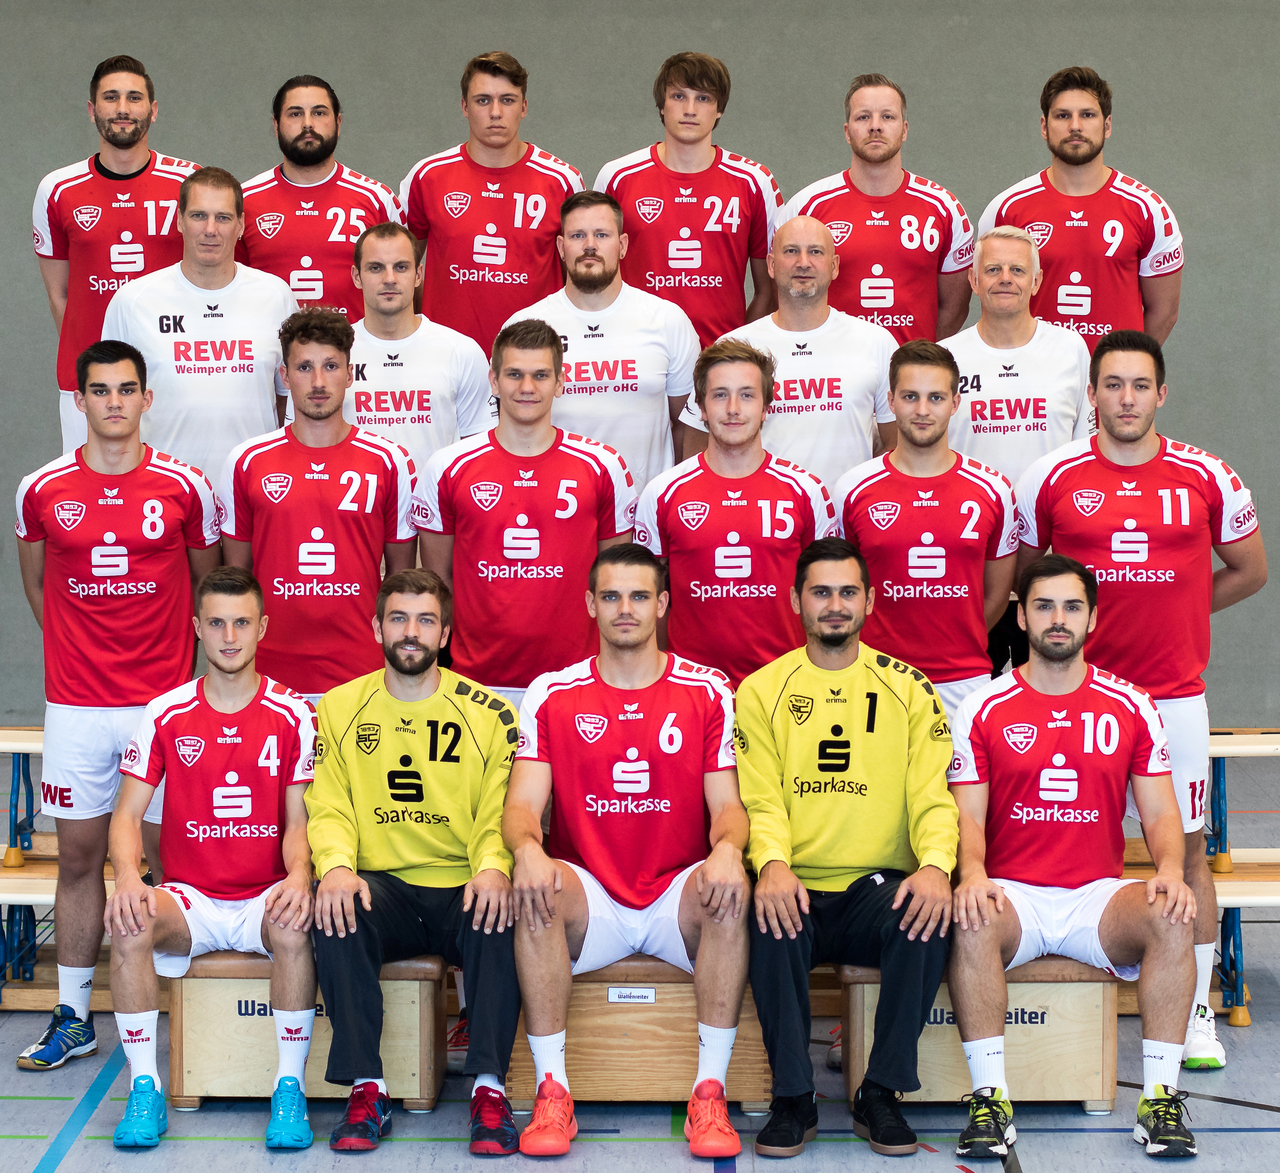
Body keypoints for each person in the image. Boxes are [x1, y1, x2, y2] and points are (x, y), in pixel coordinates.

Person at [1016, 330, 1267, 1069]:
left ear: (1162, 393)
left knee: (1187, 853)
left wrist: (1183, 613)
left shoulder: (1208, 474)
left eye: (1139, 385)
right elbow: (1029, 581)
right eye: (1112, 384)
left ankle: (1196, 1013)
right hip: (1074, 698)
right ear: (1092, 394)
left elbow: (1249, 569)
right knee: (1053, 844)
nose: (1126, 399)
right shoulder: (1051, 475)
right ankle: (1043, 1007)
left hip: (1173, 698)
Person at [947, 555, 1197, 1159]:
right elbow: (967, 816)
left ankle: (1160, 1103)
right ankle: (990, 1102)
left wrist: (1169, 871)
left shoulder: (1131, 704)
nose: (1057, 619)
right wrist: (973, 874)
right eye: (1043, 606)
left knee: (1171, 914)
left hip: (1095, 898)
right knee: (971, 916)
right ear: (1022, 617)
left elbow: (1161, 813)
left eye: (1071, 607)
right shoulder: (983, 705)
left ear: (1092, 618)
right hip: (1014, 893)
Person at [14, 340, 220, 1070]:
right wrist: (80, 654)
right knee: (79, 858)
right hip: (76, 706)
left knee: (171, 857)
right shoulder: (40, 489)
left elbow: (207, 590)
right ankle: (74, 1015)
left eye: (126, 389)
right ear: (79, 400)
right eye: (99, 390)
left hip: (160, 705)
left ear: (146, 399)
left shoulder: (185, 486)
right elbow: (39, 587)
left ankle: (182, 1013)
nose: (113, 402)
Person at [503, 544, 747, 1159]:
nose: (625, 609)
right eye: (611, 596)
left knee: (729, 889)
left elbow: (727, 807)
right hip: (593, 897)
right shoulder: (552, 693)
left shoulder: (707, 690)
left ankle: (710, 1092)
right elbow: (522, 807)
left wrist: (728, 848)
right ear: (590, 604)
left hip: (673, 893)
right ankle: (553, 1092)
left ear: (662, 604)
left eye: (639, 596)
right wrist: (526, 848)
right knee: (535, 885)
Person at [737, 538, 957, 1157]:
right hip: (797, 880)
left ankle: (881, 1092)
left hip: (875, 886)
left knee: (925, 918)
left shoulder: (909, 688)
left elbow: (932, 796)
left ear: (870, 601)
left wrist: (936, 866)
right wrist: (772, 865)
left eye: (847, 592)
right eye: (821, 592)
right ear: (796, 602)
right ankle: (793, 1098)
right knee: (766, 920)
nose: (835, 605)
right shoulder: (761, 690)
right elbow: (761, 800)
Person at [307, 569, 523, 1155]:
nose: (411, 632)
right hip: (383, 887)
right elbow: (328, 803)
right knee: (336, 909)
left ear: (445, 633)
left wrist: (492, 866)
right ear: (377, 627)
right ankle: (367, 1089)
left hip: (460, 882)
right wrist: (336, 867)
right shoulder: (339, 707)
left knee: (501, 913)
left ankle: (488, 1090)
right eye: (399, 618)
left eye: (426, 620)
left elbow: (498, 807)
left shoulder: (489, 711)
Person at [107, 567, 317, 1149]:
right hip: (190, 899)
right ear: (197, 628)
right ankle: (145, 1088)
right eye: (218, 623)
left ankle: (289, 1088)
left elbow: (299, 821)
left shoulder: (293, 713)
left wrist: (300, 876)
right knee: (128, 922)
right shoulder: (166, 712)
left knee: (295, 926)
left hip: (263, 893)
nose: (230, 637)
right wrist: (127, 876)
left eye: (242, 623)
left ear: (262, 628)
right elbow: (126, 815)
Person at [415, 318, 636, 710]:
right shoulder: (447, 466)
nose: (527, 387)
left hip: (576, 678)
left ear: (560, 382)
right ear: (494, 380)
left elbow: (615, 580)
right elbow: (439, 582)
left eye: (541, 375)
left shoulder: (603, 466)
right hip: (474, 681)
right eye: (514, 374)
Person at [219, 307, 416, 701]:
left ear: (350, 373)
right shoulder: (246, 461)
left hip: (361, 670)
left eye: (331, 366)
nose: (319, 382)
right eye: (304, 367)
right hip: (267, 670)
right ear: (284, 376)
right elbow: (236, 581)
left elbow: (400, 580)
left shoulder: (389, 461)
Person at [636, 339, 837, 688]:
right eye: (719, 395)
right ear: (700, 407)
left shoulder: (806, 491)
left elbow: (827, 594)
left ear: (766, 407)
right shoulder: (662, 493)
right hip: (692, 689)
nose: (733, 408)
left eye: (746, 395)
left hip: (786, 686)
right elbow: (648, 599)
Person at [834, 340, 1017, 717]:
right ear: (890, 401)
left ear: (955, 402)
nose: (922, 410)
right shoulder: (852, 488)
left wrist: (957, 642)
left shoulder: (992, 489)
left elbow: (997, 592)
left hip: (964, 680)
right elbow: (842, 585)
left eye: (935, 398)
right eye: (910, 396)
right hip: (874, 678)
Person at [940, 225, 1091, 675]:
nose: (1005, 278)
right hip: (970, 568)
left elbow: (1084, 456)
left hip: (1049, 573)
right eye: (993, 269)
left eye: (1017, 270)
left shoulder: (1070, 349)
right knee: (965, 699)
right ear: (973, 279)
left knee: (1050, 700)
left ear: (1037, 280)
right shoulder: (946, 357)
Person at [34, 54, 199, 452]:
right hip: (89, 382)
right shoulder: (57, 189)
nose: (123, 108)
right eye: (111, 98)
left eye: (134, 98)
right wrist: (93, 358)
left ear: (153, 110)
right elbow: (59, 295)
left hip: (174, 374)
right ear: (93, 110)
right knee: (95, 487)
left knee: (177, 483)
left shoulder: (189, 182)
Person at [101, 167, 299, 477]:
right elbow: (110, 403)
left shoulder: (276, 296)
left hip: (254, 484)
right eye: (198, 216)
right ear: (180, 220)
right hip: (164, 486)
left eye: (223, 218)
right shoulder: (133, 301)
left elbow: (291, 398)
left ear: (240, 225)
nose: (210, 229)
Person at [681, 215, 897, 489]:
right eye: (791, 251)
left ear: (834, 266)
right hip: (760, 511)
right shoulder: (734, 345)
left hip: (846, 513)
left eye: (815, 252)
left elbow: (896, 447)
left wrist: (859, 494)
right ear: (771, 265)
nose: (803, 262)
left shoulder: (876, 341)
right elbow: (697, 447)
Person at [502, 190, 699, 489]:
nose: (590, 245)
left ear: (622, 245)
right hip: (550, 502)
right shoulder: (524, 326)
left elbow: (688, 425)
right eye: (578, 235)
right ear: (561, 247)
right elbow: (507, 429)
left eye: (602, 235)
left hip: (643, 507)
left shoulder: (667, 320)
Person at [978, 66, 1183, 351]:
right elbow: (993, 305)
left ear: (1107, 126)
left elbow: (1164, 312)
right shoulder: (1006, 209)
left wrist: (1124, 366)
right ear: (1044, 126)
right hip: (1037, 374)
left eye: (1087, 115)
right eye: (1063, 116)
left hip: (1113, 378)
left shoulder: (1148, 209)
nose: (1075, 126)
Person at [594, 52, 783, 347]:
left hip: (721, 359)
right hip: (638, 354)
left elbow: (771, 290)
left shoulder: (754, 182)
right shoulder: (617, 178)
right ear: (662, 105)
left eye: (703, 98)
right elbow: (594, 277)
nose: (690, 109)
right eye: (679, 96)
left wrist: (737, 351)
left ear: (719, 109)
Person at [400, 51, 583, 354]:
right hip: (446, 357)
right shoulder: (427, 176)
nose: (495, 112)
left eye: (507, 100)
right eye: (483, 100)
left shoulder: (562, 181)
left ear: (523, 107)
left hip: (533, 359)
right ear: (464, 106)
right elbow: (402, 270)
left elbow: (577, 281)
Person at [778, 73, 972, 344]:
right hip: (835, 363)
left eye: (888, 117)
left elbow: (954, 308)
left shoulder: (943, 207)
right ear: (847, 132)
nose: (875, 126)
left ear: (905, 130)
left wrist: (918, 358)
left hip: (912, 367)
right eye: (863, 117)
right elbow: (784, 299)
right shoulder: (806, 207)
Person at [239, 75, 402, 320]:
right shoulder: (243, 201)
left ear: (338, 122)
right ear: (275, 125)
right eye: (295, 114)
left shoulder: (377, 199)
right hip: (271, 345)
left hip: (356, 345)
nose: (307, 124)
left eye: (319, 113)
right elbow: (226, 286)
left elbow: (405, 285)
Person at [336, 222, 494, 471]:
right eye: (376, 268)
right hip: (355, 496)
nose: (389, 279)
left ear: (418, 274)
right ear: (357, 277)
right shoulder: (334, 353)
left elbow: (480, 451)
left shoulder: (461, 351)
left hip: (437, 497)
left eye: (401, 267)